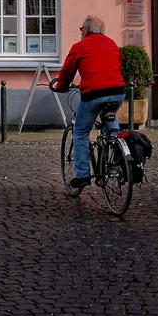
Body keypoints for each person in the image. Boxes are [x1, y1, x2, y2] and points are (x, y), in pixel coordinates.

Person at [52, 15, 127, 194]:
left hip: (94, 94)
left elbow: (68, 70)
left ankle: (83, 175)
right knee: (111, 119)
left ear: (86, 30)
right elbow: (116, 66)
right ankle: (119, 156)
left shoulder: (80, 46)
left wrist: (61, 87)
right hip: (118, 92)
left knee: (80, 131)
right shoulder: (111, 43)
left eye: (81, 30)